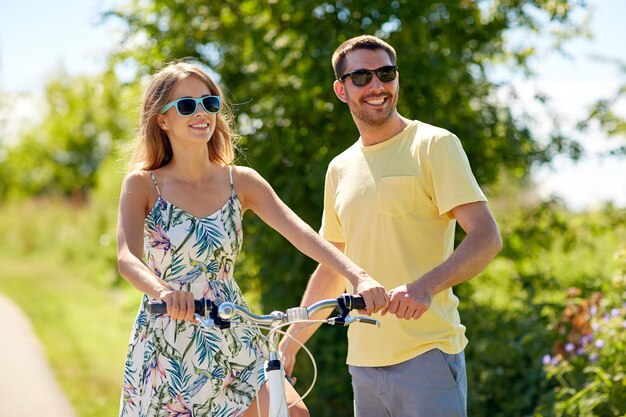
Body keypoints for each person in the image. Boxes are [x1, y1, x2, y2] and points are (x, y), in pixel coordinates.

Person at [115, 59, 389, 417]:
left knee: (292, 412)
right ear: (162, 119)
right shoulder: (142, 184)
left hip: (233, 330)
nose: (202, 113)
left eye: (209, 103)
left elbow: (303, 234)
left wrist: (358, 276)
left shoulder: (240, 182)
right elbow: (126, 258)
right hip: (169, 336)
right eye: (187, 105)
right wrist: (165, 293)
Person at [279, 35, 503, 417]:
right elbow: (333, 265)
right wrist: (291, 344)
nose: (377, 86)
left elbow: (486, 237)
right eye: (361, 77)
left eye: (385, 73)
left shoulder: (434, 144)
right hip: (363, 364)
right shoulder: (340, 168)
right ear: (341, 89)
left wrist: (424, 287)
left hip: (428, 354)